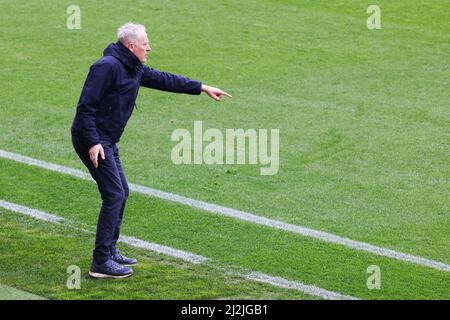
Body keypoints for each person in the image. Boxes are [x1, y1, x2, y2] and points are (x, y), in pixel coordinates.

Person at [71, 22, 231, 279]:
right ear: (131, 46)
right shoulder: (107, 67)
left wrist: (201, 87)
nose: (149, 48)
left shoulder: (132, 67)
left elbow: (165, 79)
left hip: (107, 139)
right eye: (146, 45)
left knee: (121, 191)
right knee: (113, 194)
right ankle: (100, 262)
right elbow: (85, 108)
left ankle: (109, 250)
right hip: (93, 140)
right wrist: (93, 142)